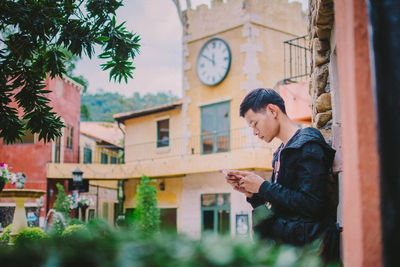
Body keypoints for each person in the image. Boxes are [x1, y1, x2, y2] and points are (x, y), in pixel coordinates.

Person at [222, 88, 341, 264]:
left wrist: (263, 187)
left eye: (255, 123)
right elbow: (281, 207)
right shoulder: (280, 153)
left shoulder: (308, 144)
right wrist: (254, 195)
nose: (254, 132)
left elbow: (312, 204)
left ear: (272, 110)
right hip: (290, 252)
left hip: (310, 253)